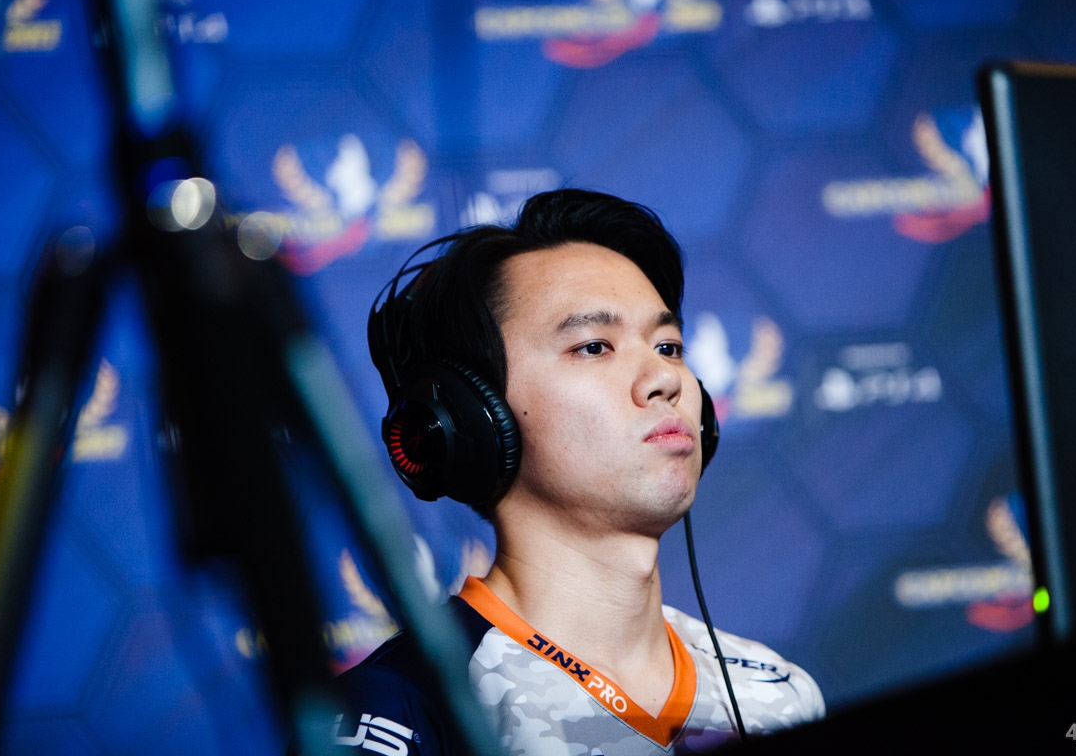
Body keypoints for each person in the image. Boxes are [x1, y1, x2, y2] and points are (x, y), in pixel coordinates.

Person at [322, 189, 823, 754]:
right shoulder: (401, 711)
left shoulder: (779, 694)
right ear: (475, 418)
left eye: (668, 346)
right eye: (594, 347)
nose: (665, 379)